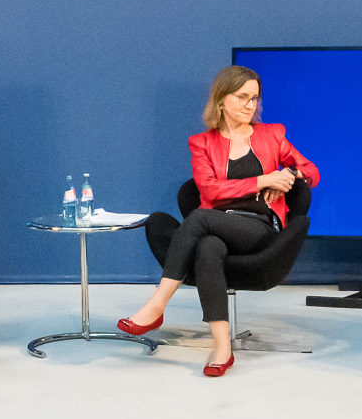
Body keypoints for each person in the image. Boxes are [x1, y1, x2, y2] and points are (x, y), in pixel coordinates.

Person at [118, 64, 319, 377]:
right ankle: (222, 348)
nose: (250, 105)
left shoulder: (272, 135)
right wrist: (263, 180)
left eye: (254, 98)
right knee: (207, 247)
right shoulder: (201, 143)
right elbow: (210, 190)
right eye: (242, 97)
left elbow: (312, 172)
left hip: (258, 228)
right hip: (217, 225)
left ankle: (157, 304)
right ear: (221, 99)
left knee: (199, 218)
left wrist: (289, 174)